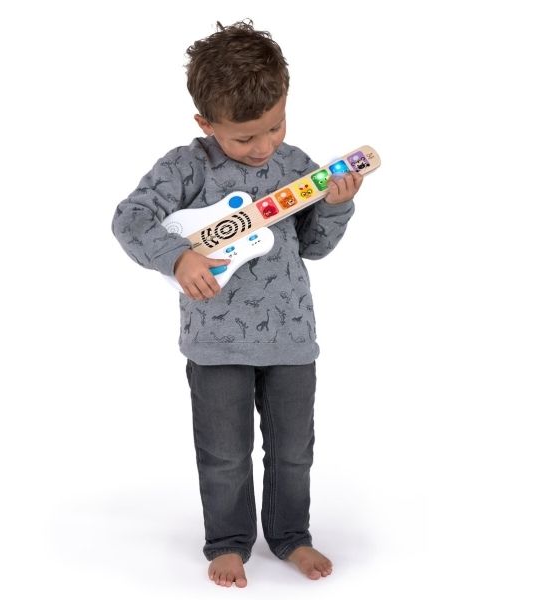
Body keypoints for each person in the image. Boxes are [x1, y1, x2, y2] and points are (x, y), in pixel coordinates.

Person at [111, 19, 363, 588]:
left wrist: (337, 206)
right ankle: (228, 542)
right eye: (244, 138)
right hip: (215, 341)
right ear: (206, 124)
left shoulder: (297, 167)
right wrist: (177, 257)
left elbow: (315, 247)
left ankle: (291, 535)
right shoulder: (186, 166)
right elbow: (130, 218)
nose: (263, 146)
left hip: (291, 337)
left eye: (274, 126)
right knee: (224, 454)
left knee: (294, 452)